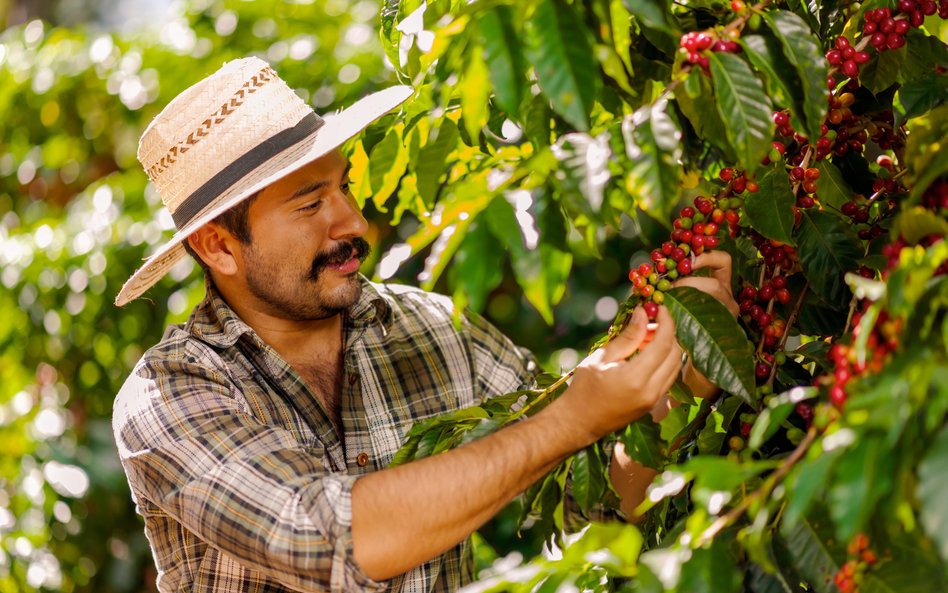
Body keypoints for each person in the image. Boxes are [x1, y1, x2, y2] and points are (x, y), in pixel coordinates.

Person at [112, 57, 737, 593]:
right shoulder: (171, 395)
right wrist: (573, 416)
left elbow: (588, 500)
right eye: (309, 205)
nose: (353, 223)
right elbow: (331, 538)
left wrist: (677, 387)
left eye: (344, 189)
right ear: (219, 247)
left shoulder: (432, 327)